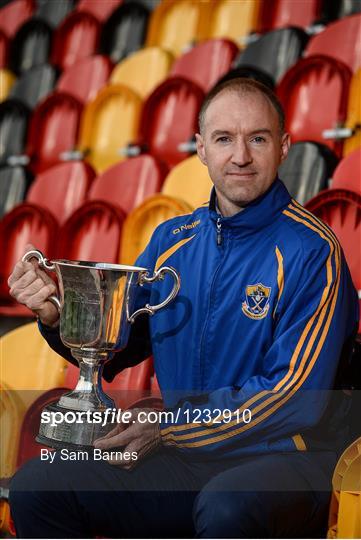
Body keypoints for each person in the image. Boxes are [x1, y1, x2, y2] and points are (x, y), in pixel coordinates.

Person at [8, 78, 359, 539]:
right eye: (223, 139)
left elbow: (292, 399)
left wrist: (170, 427)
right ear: (200, 149)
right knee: (39, 486)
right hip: (188, 454)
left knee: (225, 506)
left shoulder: (312, 250)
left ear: (284, 146)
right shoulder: (171, 242)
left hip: (287, 456)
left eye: (258, 138)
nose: (241, 156)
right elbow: (116, 345)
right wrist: (55, 315)